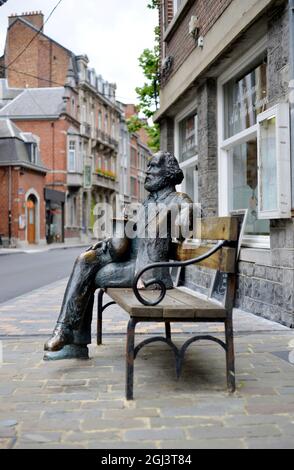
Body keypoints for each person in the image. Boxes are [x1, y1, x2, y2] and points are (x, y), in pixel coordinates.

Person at [44, 151, 192, 360]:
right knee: (85, 260)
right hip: (130, 261)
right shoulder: (148, 203)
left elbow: (187, 220)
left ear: (168, 173)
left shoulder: (177, 199)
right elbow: (132, 237)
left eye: (153, 167)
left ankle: (75, 341)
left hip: (148, 271)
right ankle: (64, 332)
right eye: (147, 167)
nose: (147, 172)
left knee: (92, 277)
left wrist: (179, 214)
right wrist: (108, 242)